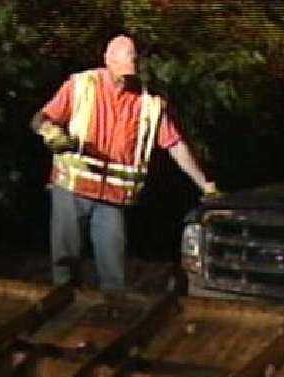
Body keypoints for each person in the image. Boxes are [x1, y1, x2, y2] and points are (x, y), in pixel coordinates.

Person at [31, 34, 217, 291]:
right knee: (65, 263)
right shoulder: (82, 85)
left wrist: (204, 183)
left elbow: (175, 145)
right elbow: (41, 117)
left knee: (114, 268)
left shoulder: (148, 104)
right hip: (72, 189)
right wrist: (48, 130)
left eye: (128, 73)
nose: (123, 79)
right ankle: (61, 314)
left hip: (113, 199)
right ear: (107, 61)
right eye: (119, 72)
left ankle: (112, 320)